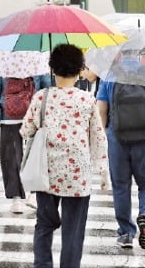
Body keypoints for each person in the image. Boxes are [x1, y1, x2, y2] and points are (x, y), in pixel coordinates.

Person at [20, 44, 108, 268]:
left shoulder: (42, 97)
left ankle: (43, 265)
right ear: (80, 70)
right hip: (77, 176)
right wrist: (102, 170)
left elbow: (25, 130)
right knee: (73, 231)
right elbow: (97, 137)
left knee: (44, 225)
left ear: (52, 69)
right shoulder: (87, 100)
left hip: (46, 173)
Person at [97, 52, 145, 250]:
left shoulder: (109, 74)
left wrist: (104, 135)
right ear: (139, 53)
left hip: (117, 138)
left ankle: (126, 233)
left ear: (119, 53)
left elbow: (101, 109)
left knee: (121, 186)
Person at [0, 73, 52, 214]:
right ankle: (33, 194)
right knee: (35, 156)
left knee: (10, 158)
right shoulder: (38, 62)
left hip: (8, 115)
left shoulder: (4, 63)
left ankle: (16, 199)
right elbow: (47, 88)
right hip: (33, 115)